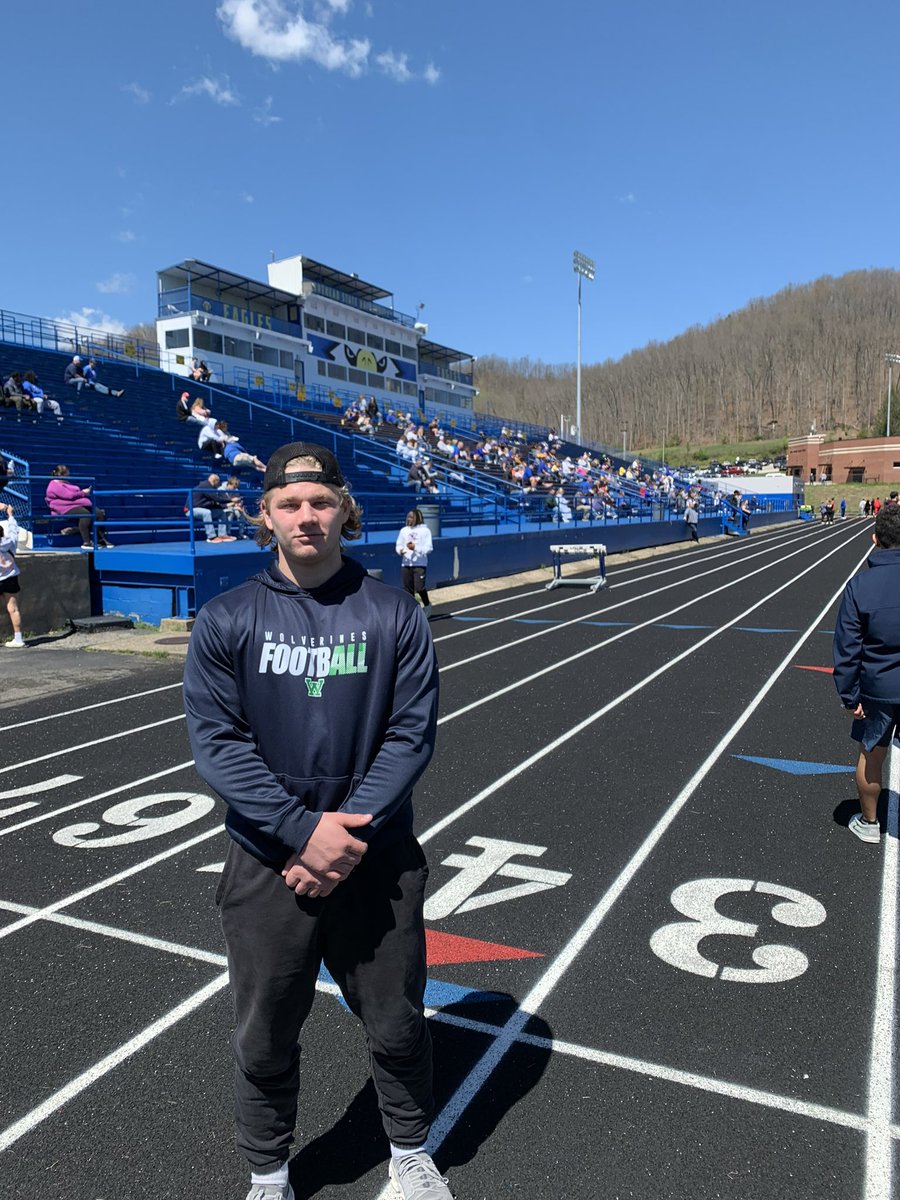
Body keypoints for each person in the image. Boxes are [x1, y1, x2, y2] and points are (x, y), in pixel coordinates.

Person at [182, 442, 447, 1200]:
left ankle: (410, 1154)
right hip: (268, 862)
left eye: (321, 502)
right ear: (264, 515)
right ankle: (269, 1172)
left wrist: (343, 834)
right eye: (290, 504)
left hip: (377, 859)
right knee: (265, 1034)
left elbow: (410, 735)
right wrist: (304, 833)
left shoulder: (393, 613)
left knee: (397, 1023)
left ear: (344, 511)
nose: (307, 516)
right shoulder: (227, 618)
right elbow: (217, 744)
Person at [833, 505, 900, 844]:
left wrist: (850, 695)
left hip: (876, 690)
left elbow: (847, 648)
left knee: (871, 754)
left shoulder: (860, 586)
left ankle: (870, 823)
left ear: (874, 539)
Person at [45, 465, 113, 549]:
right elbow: (69, 496)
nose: (68, 476)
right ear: (60, 474)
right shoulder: (54, 485)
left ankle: (101, 539)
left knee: (99, 513)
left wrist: (82, 493)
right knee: (85, 514)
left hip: (76, 505)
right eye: (67, 474)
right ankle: (86, 542)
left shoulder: (67, 483)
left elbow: (75, 494)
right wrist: (83, 493)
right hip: (64, 507)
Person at [396, 508, 434, 618]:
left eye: (411, 517)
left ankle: (427, 604)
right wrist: (400, 551)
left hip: (420, 564)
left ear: (417, 518)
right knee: (408, 589)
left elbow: (429, 548)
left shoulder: (425, 531)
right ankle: (412, 611)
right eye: (408, 516)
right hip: (406, 563)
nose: (409, 519)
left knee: (419, 587)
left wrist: (415, 547)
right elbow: (399, 544)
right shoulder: (404, 530)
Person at [0, 503, 24, 648]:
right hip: (10, 577)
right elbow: (14, 530)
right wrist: (10, 515)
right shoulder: (10, 542)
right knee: (13, 609)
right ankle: (19, 639)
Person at [190, 472, 235, 543]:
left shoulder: (209, 487)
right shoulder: (206, 486)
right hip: (191, 509)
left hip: (202, 507)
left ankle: (222, 535)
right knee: (207, 512)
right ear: (215, 481)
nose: (219, 484)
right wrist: (231, 500)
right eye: (219, 482)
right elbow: (217, 499)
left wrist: (224, 506)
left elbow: (214, 502)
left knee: (221, 513)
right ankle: (211, 537)